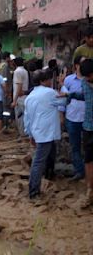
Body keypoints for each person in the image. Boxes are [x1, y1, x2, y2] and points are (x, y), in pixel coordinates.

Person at [24, 70, 66, 199]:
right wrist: (62, 85)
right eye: (48, 79)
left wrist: (30, 134)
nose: (50, 81)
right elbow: (64, 102)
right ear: (43, 81)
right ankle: (33, 191)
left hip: (38, 131)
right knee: (38, 161)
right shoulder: (49, 93)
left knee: (49, 155)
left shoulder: (30, 96)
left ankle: (49, 175)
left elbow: (27, 118)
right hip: (46, 132)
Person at [66, 59, 93, 208]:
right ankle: (90, 190)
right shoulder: (84, 83)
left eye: (89, 76)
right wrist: (72, 96)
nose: (87, 80)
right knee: (89, 159)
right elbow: (86, 97)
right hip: (88, 126)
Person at [60, 55, 85, 181]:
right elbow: (63, 99)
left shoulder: (89, 80)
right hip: (72, 119)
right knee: (75, 146)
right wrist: (61, 117)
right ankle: (79, 171)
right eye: (82, 63)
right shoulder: (69, 80)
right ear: (76, 65)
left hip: (87, 120)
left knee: (87, 147)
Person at [12, 57, 29, 136]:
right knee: (24, 116)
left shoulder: (17, 72)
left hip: (19, 98)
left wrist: (14, 101)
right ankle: (25, 133)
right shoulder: (25, 71)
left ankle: (22, 134)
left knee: (19, 117)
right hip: (24, 97)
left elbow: (19, 85)